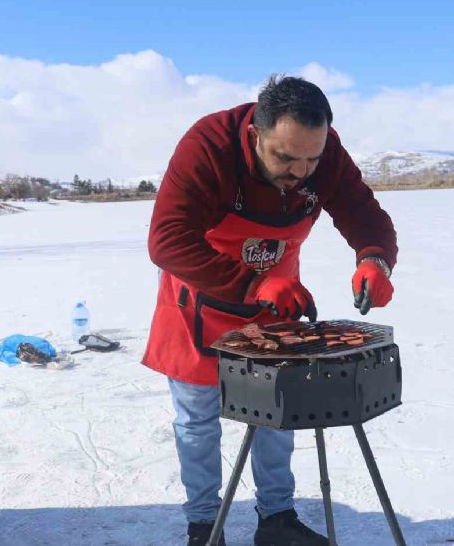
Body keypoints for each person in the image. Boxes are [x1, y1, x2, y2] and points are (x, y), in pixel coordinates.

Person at [143, 75, 398, 546]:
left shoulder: (321, 155)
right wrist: (255, 281)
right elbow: (167, 239)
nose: (300, 172)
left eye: (311, 159)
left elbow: (365, 215)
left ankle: (276, 519)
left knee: (279, 412)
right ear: (256, 135)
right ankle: (205, 526)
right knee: (198, 422)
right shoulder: (208, 146)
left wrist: (374, 258)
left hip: (277, 305)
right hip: (200, 302)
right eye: (285, 158)